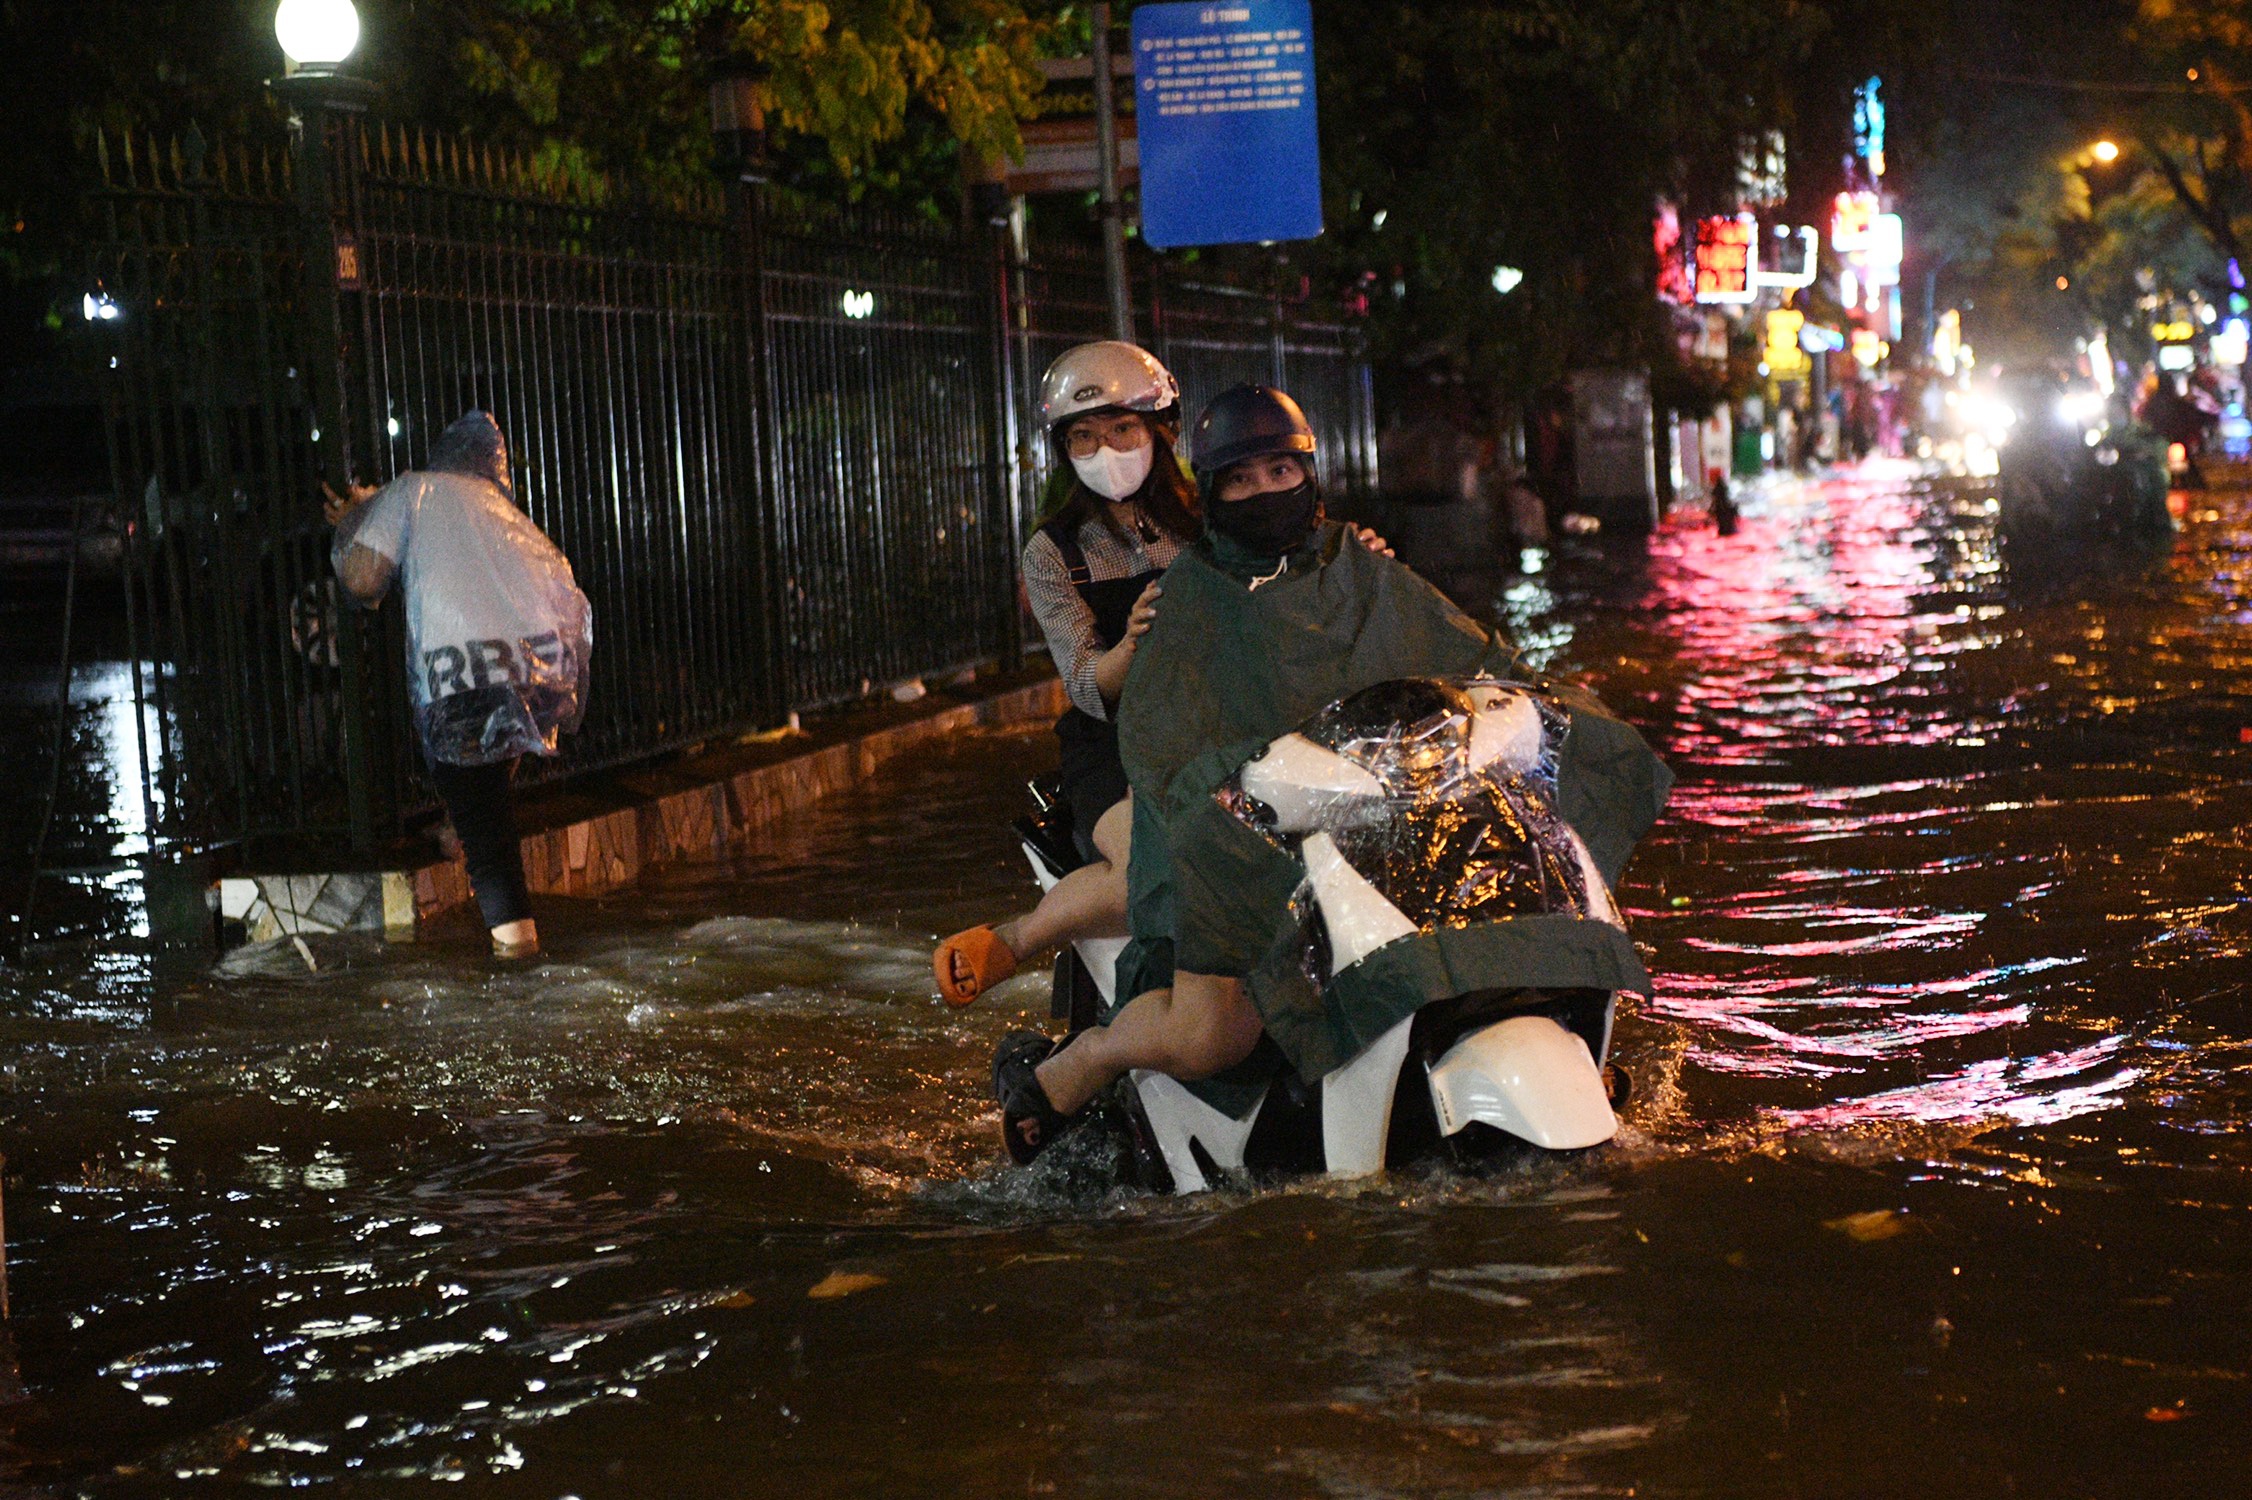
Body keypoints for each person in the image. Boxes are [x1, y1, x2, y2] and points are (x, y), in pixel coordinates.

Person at [990, 384, 1667, 1161]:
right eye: (1239, 480)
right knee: (1209, 1036)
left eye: (1279, 471)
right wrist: (1238, 783)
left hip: (1365, 811)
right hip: (1248, 840)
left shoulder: (1360, 563)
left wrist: (1528, 703)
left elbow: (1468, 657)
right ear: (1211, 492)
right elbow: (1161, 744)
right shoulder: (1184, 601)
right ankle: (1086, 1060)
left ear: (1308, 472)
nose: (1263, 492)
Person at [932, 347, 1394, 1005]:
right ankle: (1015, 939)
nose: (1105, 450)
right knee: (1153, 871)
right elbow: (1086, 682)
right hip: (1117, 745)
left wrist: (1357, 561)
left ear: (1159, 429)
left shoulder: (1212, 512)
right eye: (1083, 437)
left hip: (1226, 727)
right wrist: (1134, 641)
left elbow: (1296, 573)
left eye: (1121, 429)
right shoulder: (1054, 551)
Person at [326, 411, 593, 959]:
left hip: (460, 683)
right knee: (483, 797)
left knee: (488, 841)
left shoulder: (412, 493)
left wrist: (355, 521)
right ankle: (457, 828)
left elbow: (361, 578)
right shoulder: (501, 511)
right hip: (532, 678)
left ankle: (521, 964)